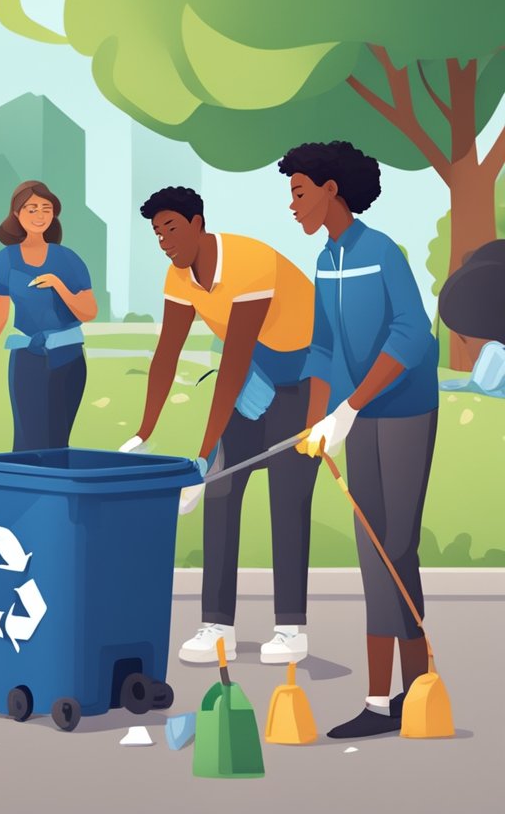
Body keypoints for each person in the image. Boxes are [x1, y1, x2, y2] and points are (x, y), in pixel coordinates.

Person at [280, 141, 440, 739]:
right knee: (372, 548)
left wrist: (348, 407)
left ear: (331, 189)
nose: (293, 206)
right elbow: (322, 347)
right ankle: (380, 702)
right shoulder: (325, 262)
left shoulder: (381, 253)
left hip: (403, 410)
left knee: (395, 546)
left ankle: (418, 691)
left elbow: (412, 335)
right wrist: (319, 422)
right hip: (355, 415)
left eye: (299, 193)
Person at [125, 186, 320, 665]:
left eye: (171, 228)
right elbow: (166, 353)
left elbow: (230, 366)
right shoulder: (179, 276)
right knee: (220, 490)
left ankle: (291, 627)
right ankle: (217, 624)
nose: (164, 240)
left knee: (287, 497)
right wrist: (144, 433)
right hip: (258, 380)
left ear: (198, 223)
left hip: (304, 380)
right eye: (156, 233)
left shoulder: (248, 263)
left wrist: (201, 455)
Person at [0, 180, 97, 449]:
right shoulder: (4, 259)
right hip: (26, 358)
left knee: (56, 443)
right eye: (31, 209)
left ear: (54, 214)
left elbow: (89, 312)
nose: (40, 215)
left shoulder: (68, 259)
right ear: (16, 214)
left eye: (46, 208)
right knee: (26, 441)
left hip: (67, 358)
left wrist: (58, 284)